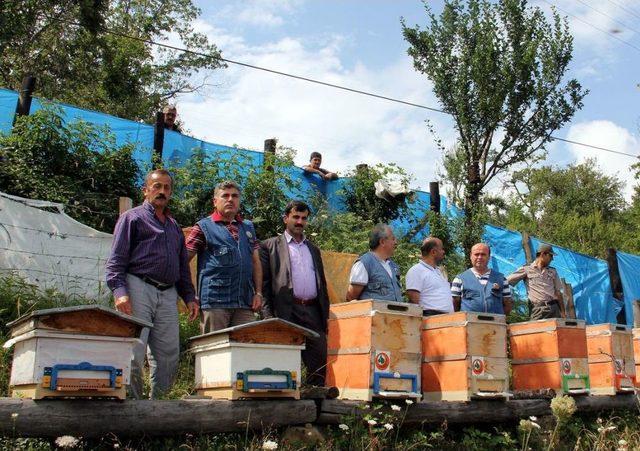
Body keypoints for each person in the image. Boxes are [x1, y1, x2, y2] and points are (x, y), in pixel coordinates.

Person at [105, 169, 198, 399]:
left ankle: (159, 407)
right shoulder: (132, 218)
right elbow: (116, 260)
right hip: (138, 286)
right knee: (133, 351)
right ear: (145, 190)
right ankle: (132, 407)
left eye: (167, 188)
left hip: (168, 293)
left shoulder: (175, 227)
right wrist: (120, 292)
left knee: (168, 354)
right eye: (157, 186)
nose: (162, 191)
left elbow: (182, 267)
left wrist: (189, 296)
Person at [260, 200, 330, 386]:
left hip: (313, 312)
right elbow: (264, 285)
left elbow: (321, 284)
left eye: (304, 218)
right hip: (285, 311)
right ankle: (284, 404)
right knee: (284, 362)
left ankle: (314, 403)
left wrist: (325, 317)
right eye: (296, 217)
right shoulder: (269, 246)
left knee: (320, 359)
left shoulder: (313, 249)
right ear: (286, 219)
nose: (300, 222)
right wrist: (267, 315)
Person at [186, 180, 262, 333]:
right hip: (215, 303)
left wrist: (258, 293)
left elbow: (256, 262)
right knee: (212, 351)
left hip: (244, 303)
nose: (230, 199)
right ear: (215, 201)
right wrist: (189, 294)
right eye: (225, 196)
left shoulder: (248, 227)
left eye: (234, 196)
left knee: (246, 349)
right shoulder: (203, 227)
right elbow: (182, 260)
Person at [507, 243, 565, 320]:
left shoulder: (552, 271)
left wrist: (563, 312)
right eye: (550, 256)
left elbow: (558, 293)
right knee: (537, 330)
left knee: (556, 331)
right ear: (543, 254)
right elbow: (506, 281)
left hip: (554, 309)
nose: (552, 259)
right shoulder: (526, 269)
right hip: (538, 309)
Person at [346, 224, 403, 302]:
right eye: (393, 239)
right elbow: (351, 297)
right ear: (382, 242)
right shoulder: (364, 263)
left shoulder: (393, 266)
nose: (396, 242)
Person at [451, 243, 513, 315]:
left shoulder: (501, 279)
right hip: (469, 324)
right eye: (476, 254)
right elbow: (454, 304)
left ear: (489, 257)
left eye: (483, 254)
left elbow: (507, 303)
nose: (479, 257)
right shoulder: (459, 279)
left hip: (495, 323)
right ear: (470, 256)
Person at [405, 237, 454, 316]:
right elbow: (413, 301)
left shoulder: (439, 272)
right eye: (441, 249)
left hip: (447, 319)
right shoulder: (416, 271)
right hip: (430, 319)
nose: (443, 252)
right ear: (433, 252)